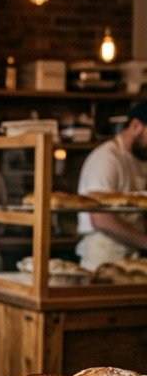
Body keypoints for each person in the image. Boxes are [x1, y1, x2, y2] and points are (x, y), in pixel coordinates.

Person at [76, 100, 147, 271]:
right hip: (103, 255)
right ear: (136, 126)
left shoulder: (140, 159)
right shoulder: (107, 158)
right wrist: (145, 242)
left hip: (132, 253)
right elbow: (100, 219)